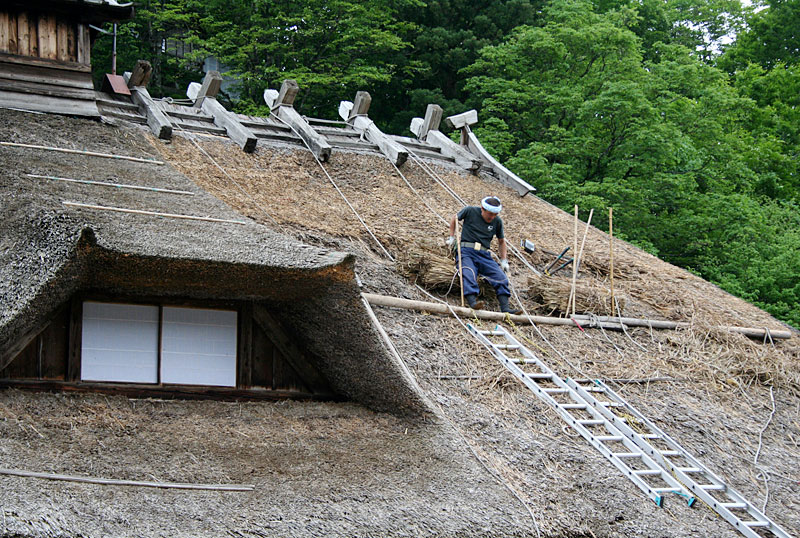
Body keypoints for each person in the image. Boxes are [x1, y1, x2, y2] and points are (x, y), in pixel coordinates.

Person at [447, 196, 521, 314]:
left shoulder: (497, 222)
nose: (492, 217)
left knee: (500, 276)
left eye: (495, 215)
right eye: (490, 214)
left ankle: (505, 308)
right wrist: (451, 237)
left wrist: (504, 260)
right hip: (467, 250)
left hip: (484, 254)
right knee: (468, 271)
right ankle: (472, 301)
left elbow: (501, 241)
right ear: (482, 208)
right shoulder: (470, 211)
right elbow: (455, 218)